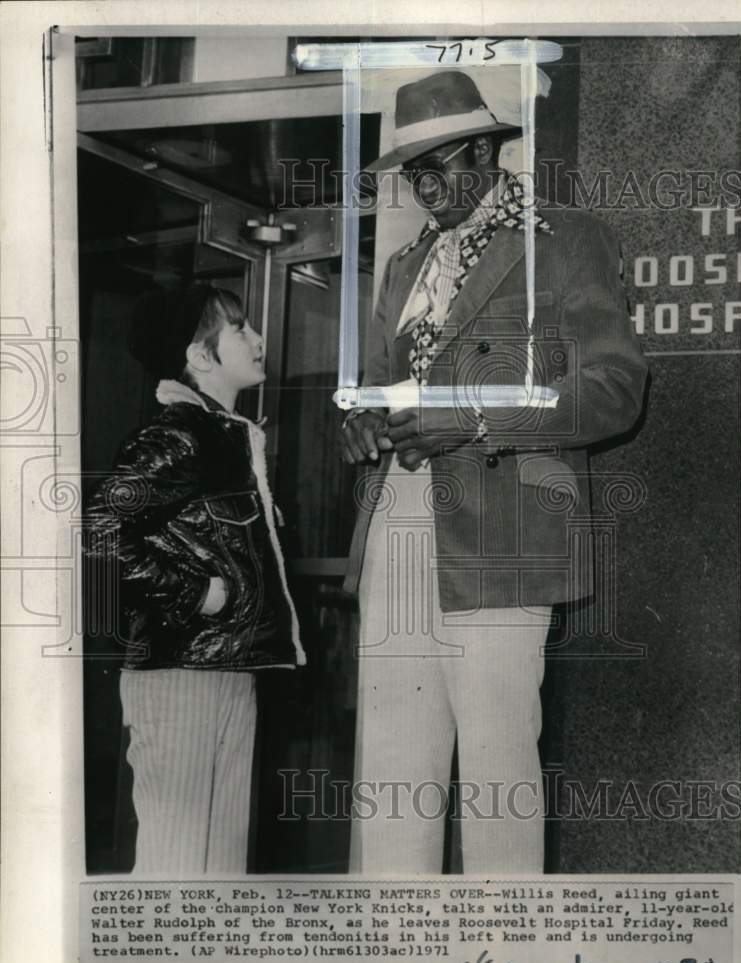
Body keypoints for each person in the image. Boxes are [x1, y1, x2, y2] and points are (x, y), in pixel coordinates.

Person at [341, 69, 648, 873]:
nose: (424, 187)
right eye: (412, 172)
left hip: (503, 532)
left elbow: (613, 391)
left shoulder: (566, 238)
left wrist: (472, 415)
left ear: (484, 149)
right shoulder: (406, 266)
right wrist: (362, 422)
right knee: (393, 767)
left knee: (495, 767)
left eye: (437, 164)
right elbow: (382, 384)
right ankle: (397, 957)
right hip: (397, 525)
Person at [85, 283, 305, 875]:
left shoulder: (226, 436)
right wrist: (195, 594)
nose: (258, 340)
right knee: (177, 862)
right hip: (180, 671)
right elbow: (99, 532)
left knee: (219, 865)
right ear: (202, 356)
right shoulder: (179, 434)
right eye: (240, 329)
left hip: (226, 666)